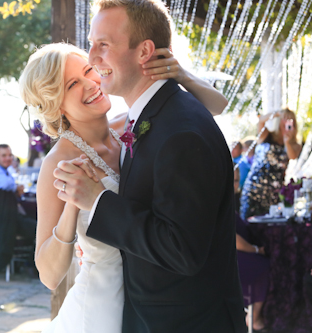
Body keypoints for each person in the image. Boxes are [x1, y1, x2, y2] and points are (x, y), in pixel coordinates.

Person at [20, 29, 236, 333]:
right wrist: (73, 205)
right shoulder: (59, 162)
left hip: (150, 297)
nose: (91, 84)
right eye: (72, 84)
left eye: (88, 71)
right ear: (56, 105)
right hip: (102, 306)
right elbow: (49, 275)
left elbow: (215, 108)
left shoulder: (131, 124)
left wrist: (181, 75)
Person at [240, 109, 302, 219]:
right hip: (254, 188)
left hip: (273, 193)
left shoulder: (295, 144)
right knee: (247, 222)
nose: (286, 122)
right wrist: (278, 113)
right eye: (285, 118)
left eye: (290, 120)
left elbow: (292, 156)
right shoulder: (267, 135)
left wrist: (287, 141)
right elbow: (261, 121)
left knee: (268, 225)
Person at [233, 167, 269, 331]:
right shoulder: (219, 201)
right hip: (233, 260)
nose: (235, 185)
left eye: (236, 180)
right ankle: (254, 317)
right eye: (232, 180)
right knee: (265, 265)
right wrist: (256, 250)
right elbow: (233, 240)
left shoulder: (227, 200)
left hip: (233, 257)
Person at [0, 144, 36, 241]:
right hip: (4, 219)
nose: (8, 158)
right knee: (37, 226)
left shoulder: (6, 170)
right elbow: (5, 184)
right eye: (4, 155)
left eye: (10, 155)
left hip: (9, 214)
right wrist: (16, 187)